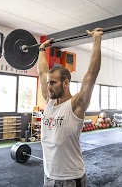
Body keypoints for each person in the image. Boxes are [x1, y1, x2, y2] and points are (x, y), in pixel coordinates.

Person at [37, 28, 103, 187]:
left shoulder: (75, 106)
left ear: (65, 83)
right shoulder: (50, 102)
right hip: (48, 177)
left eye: (53, 83)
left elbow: (91, 74)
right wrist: (41, 49)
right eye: (48, 83)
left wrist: (96, 39)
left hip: (70, 179)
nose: (49, 87)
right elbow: (42, 72)